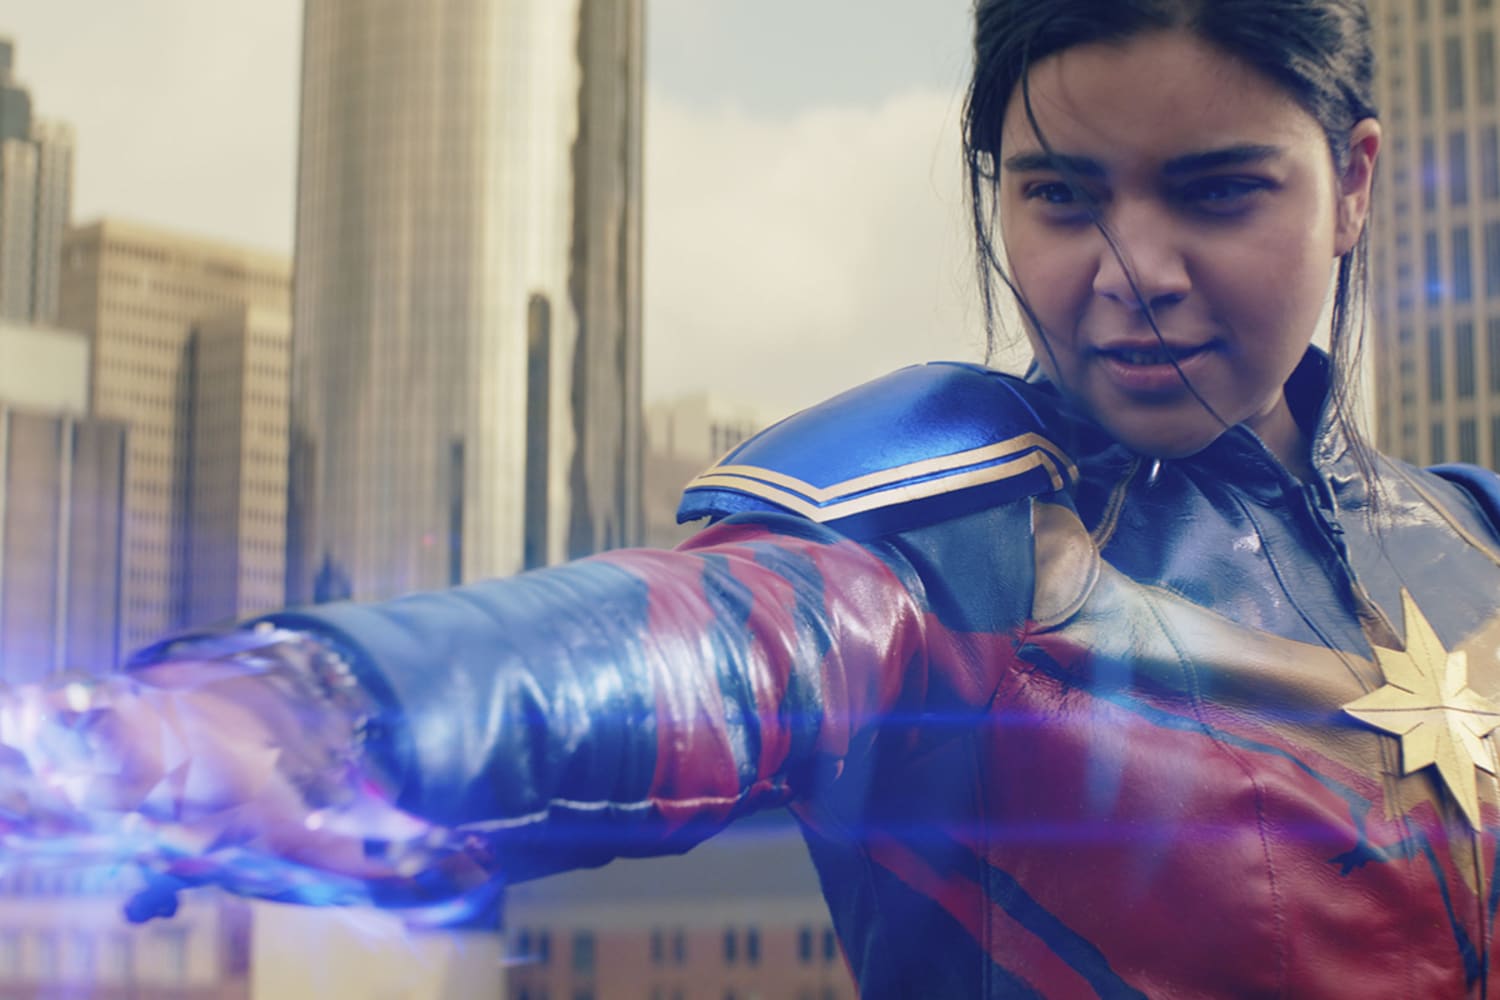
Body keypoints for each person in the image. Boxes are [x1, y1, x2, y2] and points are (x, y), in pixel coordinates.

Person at [2, 0, 1497, 995]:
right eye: (1062, 194)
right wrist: (298, 716)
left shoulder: (1475, 536)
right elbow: (709, 637)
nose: (1134, 272)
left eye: (1219, 190)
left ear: (1353, 183)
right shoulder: (963, 532)